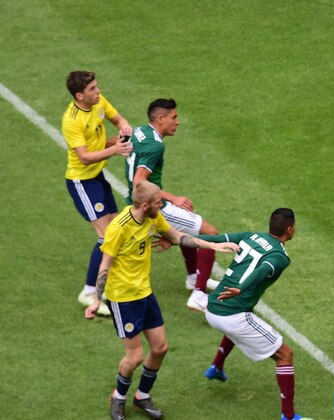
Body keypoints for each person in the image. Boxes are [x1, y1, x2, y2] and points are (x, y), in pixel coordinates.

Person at [85, 181, 239, 420]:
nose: (162, 205)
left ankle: (142, 397)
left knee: (160, 348)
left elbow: (179, 237)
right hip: (123, 299)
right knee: (134, 356)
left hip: (145, 293)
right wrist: (97, 299)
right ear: (145, 205)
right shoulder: (119, 228)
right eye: (158, 202)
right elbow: (105, 265)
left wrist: (214, 245)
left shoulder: (152, 218)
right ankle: (119, 396)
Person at [195, 208, 312, 420]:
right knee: (285, 354)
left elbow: (215, 238)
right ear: (290, 229)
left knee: (244, 320)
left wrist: (177, 239)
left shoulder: (251, 236)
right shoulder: (280, 256)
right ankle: (288, 416)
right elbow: (264, 269)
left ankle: (216, 366)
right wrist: (242, 287)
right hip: (232, 315)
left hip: (212, 307)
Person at [124, 98, 222, 312]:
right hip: (153, 206)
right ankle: (198, 295)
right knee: (209, 233)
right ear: (160, 119)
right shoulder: (155, 145)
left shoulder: (140, 131)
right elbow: (139, 183)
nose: (177, 122)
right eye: (174, 117)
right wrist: (173, 198)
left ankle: (194, 278)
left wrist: (100, 146)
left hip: (140, 205)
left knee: (187, 227)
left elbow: (121, 140)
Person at [62, 70, 133, 316]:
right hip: (82, 181)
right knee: (106, 237)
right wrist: (114, 149)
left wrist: (125, 129)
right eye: (93, 89)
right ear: (80, 95)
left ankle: (108, 283)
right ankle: (89, 292)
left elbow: (118, 119)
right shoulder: (72, 120)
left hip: (98, 176)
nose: (98, 91)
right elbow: (83, 157)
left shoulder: (98, 102)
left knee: (115, 231)